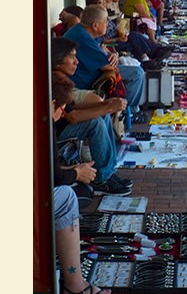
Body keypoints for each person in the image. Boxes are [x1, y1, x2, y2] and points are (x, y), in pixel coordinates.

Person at [51, 73, 111, 294]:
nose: (62, 115)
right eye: (61, 109)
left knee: (76, 186)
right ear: (52, 104)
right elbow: (50, 176)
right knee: (67, 196)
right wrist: (75, 174)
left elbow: (46, 169)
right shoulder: (44, 125)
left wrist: (73, 170)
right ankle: (75, 284)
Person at [52, 37, 133, 196]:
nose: (76, 62)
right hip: (56, 133)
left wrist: (104, 105)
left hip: (63, 126)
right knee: (95, 123)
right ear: (57, 62)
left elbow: (72, 107)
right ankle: (102, 179)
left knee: (102, 116)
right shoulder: (54, 83)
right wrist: (107, 107)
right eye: (72, 57)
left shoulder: (61, 80)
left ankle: (108, 172)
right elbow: (71, 117)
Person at [63, 5, 146, 123]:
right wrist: (111, 57)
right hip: (81, 79)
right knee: (137, 73)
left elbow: (103, 48)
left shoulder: (83, 30)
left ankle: (127, 110)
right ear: (95, 25)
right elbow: (108, 66)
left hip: (88, 71)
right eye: (105, 22)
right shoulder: (82, 38)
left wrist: (113, 55)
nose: (107, 24)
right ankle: (129, 112)